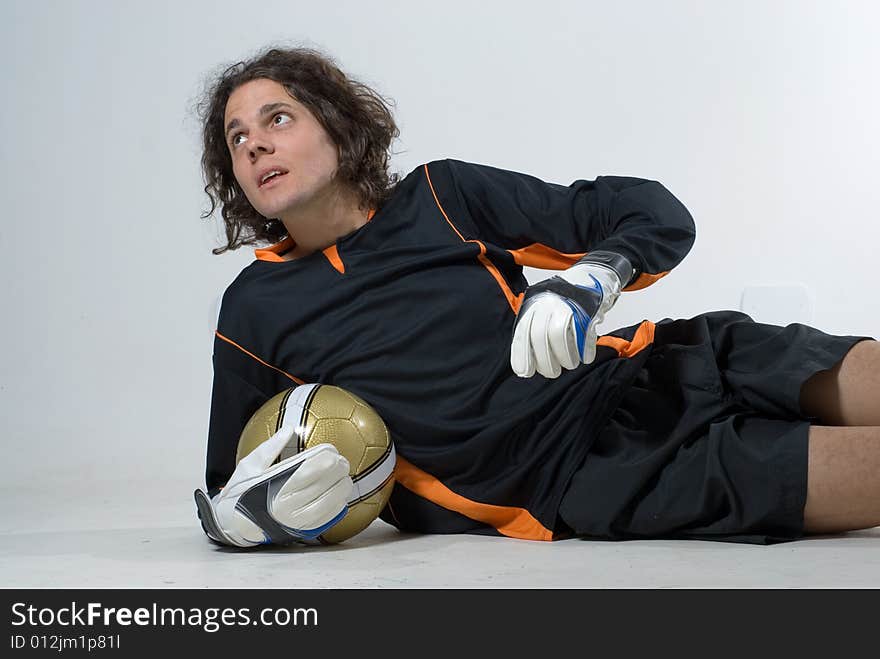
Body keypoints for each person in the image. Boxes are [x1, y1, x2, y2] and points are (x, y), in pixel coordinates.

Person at [192, 45, 879, 548]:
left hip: (655, 362)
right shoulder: (256, 310)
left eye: (277, 118)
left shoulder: (443, 196)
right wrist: (251, 516)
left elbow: (652, 213)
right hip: (591, 476)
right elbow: (232, 483)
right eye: (237, 137)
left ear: (338, 128)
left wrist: (596, 276)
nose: (254, 145)